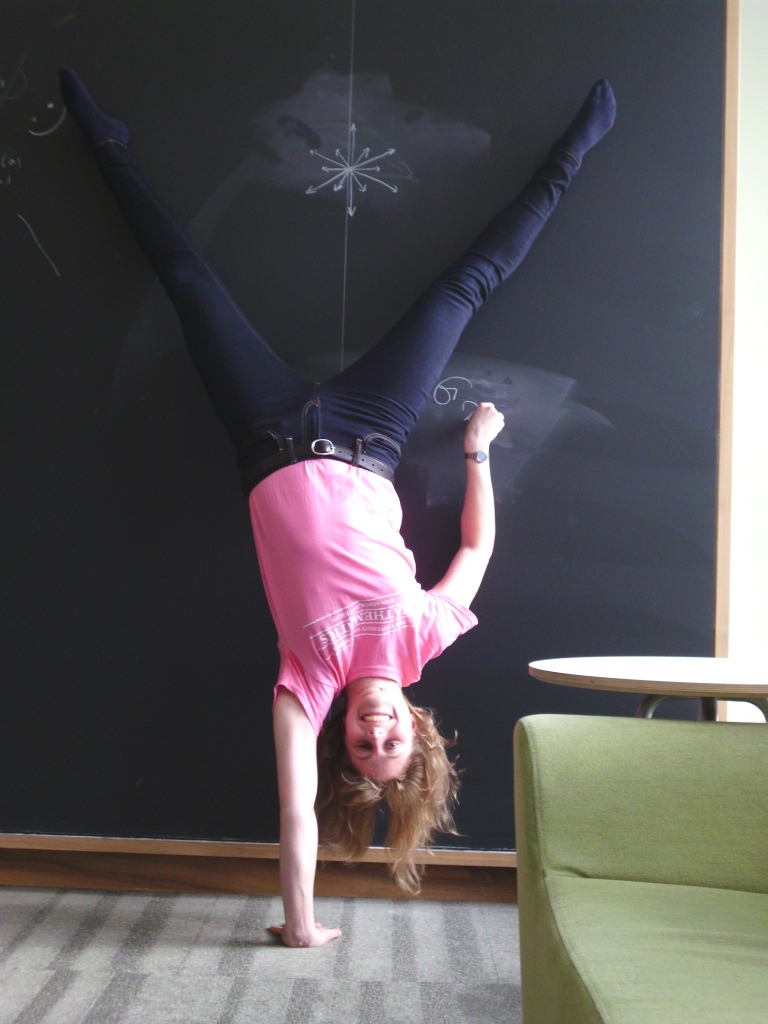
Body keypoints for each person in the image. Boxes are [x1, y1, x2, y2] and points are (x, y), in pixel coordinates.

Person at [59, 69, 616, 946]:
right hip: (372, 430)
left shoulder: (304, 685)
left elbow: (296, 816)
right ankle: (573, 153)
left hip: (264, 430)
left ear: (348, 739)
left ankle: (103, 139)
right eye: (392, 742)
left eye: (363, 748)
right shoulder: (425, 636)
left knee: (185, 280)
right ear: (418, 731)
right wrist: (476, 452)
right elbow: (473, 551)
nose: (374, 734)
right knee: (463, 288)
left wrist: (302, 925)